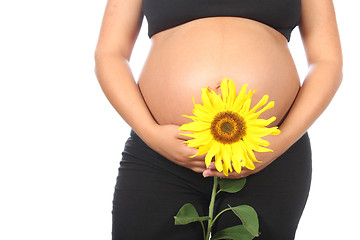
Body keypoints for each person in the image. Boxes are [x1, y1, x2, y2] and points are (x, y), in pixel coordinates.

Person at [94, 0, 343, 239]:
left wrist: (279, 142)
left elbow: (327, 61)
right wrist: (151, 134)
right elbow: (110, 54)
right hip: (160, 152)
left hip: (267, 153)